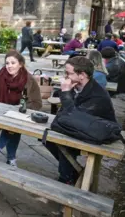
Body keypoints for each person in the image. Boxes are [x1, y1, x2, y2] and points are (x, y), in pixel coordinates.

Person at [44, 56, 116, 185]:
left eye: (69, 73)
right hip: (82, 127)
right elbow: (66, 115)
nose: (65, 76)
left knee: (63, 143)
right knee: (47, 138)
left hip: (99, 133)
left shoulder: (97, 95)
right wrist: (66, 92)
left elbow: (72, 117)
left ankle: (68, 178)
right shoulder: (77, 86)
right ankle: (71, 173)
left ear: (82, 75)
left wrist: (66, 92)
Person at [0, 50, 42, 166]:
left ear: (20, 64)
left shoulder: (29, 81)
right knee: (14, 127)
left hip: (19, 114)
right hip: (0, 113)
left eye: (13, 63)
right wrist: (3, 107)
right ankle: (11, 158)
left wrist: (21, 108)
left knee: (14, 125)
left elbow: (37, 103)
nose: (9, 66)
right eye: (7, 63)